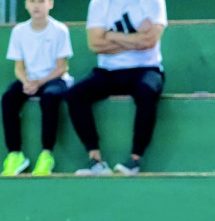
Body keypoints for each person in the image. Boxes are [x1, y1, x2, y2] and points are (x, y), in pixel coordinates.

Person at [67, 0, 167, 176]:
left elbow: (149, 42)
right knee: (75, 95)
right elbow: (95, 44)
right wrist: (135, 39)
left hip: (146, 68)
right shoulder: (99, 3)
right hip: (108, 71)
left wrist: (111, 36)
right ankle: (95, 159)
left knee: (146, 91)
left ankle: (135, 159)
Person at [1, 0, 72, 177]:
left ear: (50, 4)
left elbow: (62, 68)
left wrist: (39, 83)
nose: (36, 6)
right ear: (26, 5)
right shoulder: (19, 31)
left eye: (41, 1)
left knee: (50, 98)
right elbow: (19, 68)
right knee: (8, 98)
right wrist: (26, 81)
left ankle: (46, 154)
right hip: (30, 80)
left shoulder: (60, 30)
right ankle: (15, 154)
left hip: (55, 79)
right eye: (32, 1)